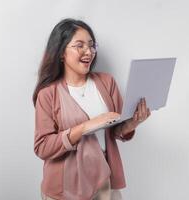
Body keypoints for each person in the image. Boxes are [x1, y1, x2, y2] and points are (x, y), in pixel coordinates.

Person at [32, 18, 151, 200]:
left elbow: (116, 130)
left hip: (104, 181)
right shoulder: (48, 94)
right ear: (61, 52)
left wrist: (133, 122)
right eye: (79, 45)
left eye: (91, 45)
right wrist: (85, 127)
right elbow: (42, 147)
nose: (88, 52)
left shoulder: (106, 82)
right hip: (64, 189)